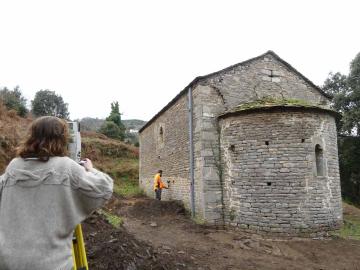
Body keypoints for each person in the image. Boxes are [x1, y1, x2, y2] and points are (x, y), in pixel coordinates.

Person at [0, 116, 113, 270]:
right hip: (52, 264)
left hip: (8, 261)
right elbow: (104, 188)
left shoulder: (14, 167)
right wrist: (90, 169)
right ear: (62, 138)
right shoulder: (66, 167)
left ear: (32, 136)